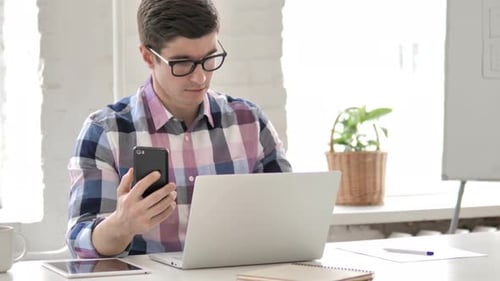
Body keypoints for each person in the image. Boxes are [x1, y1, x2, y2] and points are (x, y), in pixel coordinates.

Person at [66, 0, 292, 258]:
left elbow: (288, 218)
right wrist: (121, 225)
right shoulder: (105, 132)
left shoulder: (250, 122)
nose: (200, 78)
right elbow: (80, 241)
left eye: (209, 59)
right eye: (182, 63)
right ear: (148, 56)